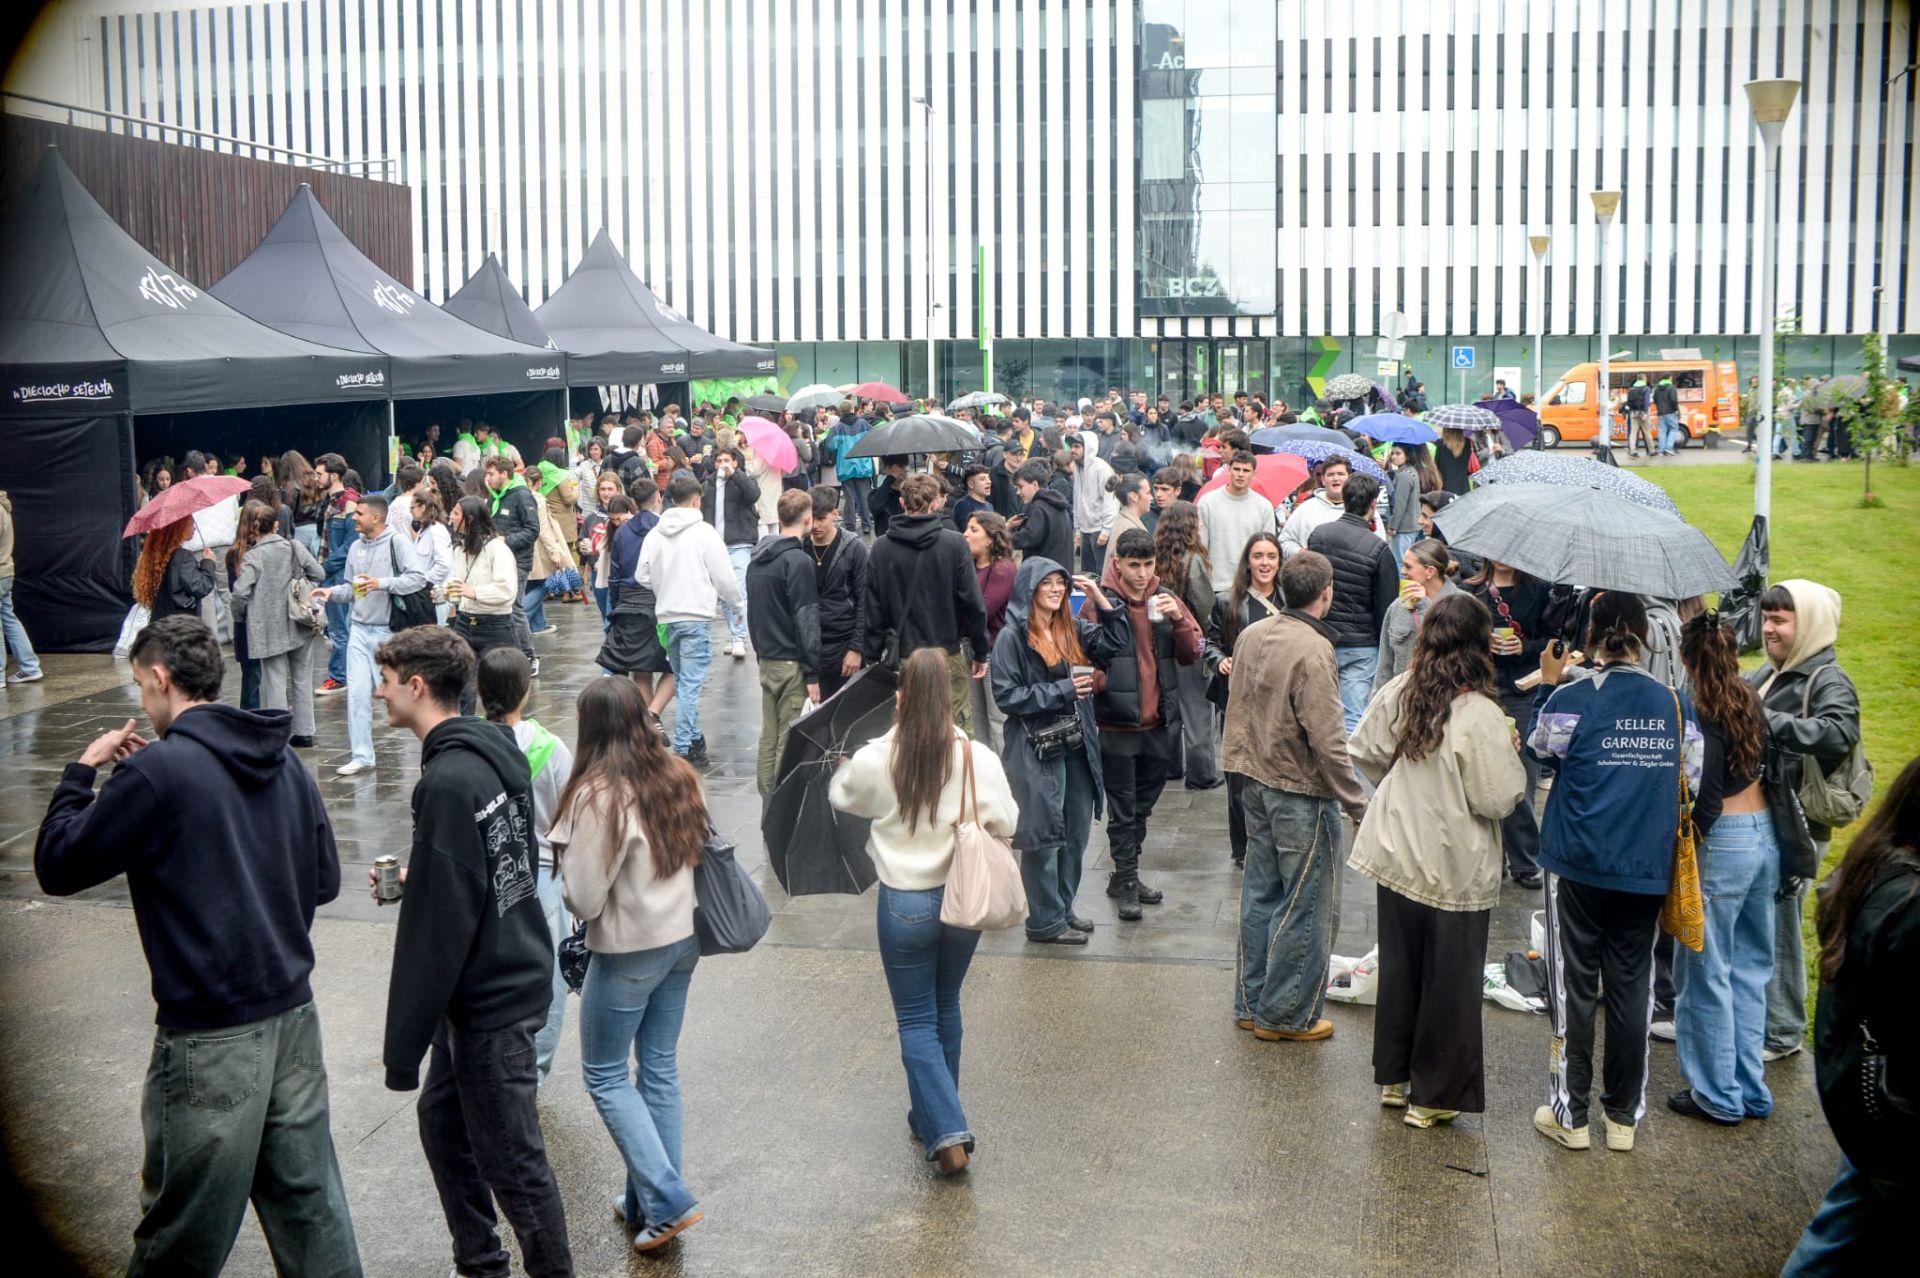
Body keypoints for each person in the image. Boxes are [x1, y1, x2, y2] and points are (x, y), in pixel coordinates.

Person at [34, 617, 361, 1275]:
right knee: (311, 1210)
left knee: (181, 1234)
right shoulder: (282, 760)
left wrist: (83, 771)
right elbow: (325, 881)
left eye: (140, 687)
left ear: (159, 678)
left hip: (211, 1036)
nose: (142, 704)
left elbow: (59, 864)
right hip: (293, 1016)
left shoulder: (158, 773)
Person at [367, 626, 571, 1276]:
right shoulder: (487, 753)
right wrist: (426, 873)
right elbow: (488, 867)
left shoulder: (451, 779)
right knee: (444, 1125)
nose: (380, 691)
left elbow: (435, 933)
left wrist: (401, 1048)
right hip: (497, 979)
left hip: (489, 1002)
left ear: (417, 685)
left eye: (388, 680)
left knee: (516, 1167)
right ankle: (481, 1260)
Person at [829, 647, 1019, 1175]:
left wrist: (846, 765)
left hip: (906, 902)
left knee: (915, 1019)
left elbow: (843, 797)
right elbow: (1009, 819)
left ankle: (947, 1128)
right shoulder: (977, 757)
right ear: (951, 697)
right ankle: (933, 1115)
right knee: (946, 1005)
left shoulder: (877, 757)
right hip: (964, 897)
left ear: (901, 697)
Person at [1527, 591, 1702, 1153]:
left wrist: (1552, 683)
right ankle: (1623, 1116)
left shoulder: (1575, 695)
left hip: (1577, 860)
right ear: (1645, 636)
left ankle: (1570, 1114)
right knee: (1633, 990)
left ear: (1593, 636)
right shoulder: (1675, 703)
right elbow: (1691, 779)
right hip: (1645, 865)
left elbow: (1541, 748)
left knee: (1572, 985)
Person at [1349, 594, 1527, 1128]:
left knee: (1402, 969)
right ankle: (1433, 1095)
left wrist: (1404, 787)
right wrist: (1511, 753)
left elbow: (1365, 750)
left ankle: (1396, 1077)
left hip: (1397, 851)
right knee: (1450, 980)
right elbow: (1496, 798)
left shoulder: (1402, 691)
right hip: (1454, 864)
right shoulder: (1481, 714)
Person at [548, 679, 708, 1252]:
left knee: (606, 1075)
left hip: (628, 951)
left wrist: (566, 874)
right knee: (659, 1068)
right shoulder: (675, 772)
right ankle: (647, 1200)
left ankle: (666, 1198)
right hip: (682, 940)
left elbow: (585, 899)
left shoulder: (599, 795)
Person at [1777, 755, 1920, 1273]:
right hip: (1889, 1103)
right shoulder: (1905, 900)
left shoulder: (1871, 868)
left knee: (1845, 1220)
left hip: (1863, 1090)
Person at [1220, 550, 1370, 1041]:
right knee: (1305, 903)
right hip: (1298, 790)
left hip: (1254, 781)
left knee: (1260, 894)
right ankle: (1283, 1014)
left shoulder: (1252, 633)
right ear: (1326, 593)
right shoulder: (1312, 648)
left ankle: (1252, 1001)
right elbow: (1328, 739)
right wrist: (1357, 804)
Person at [1665, 610, 1775, 1126]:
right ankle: (1751, 1089)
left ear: (1686, 658)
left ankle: (1717, 1094)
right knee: (1750, 972)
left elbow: (1705, 800)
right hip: (1764, 835)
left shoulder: (1699, 708)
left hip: (1724, 844)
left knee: (1705, 975)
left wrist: (1685, 850)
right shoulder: (1750, 696)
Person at [1746, 580, 1863, 1063]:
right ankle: (1767, 1020)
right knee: (1764, 919)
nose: (1768, 629)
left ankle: (1783, 1030)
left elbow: (1839, 733)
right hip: (1770, 812)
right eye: (1767, 618)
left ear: (1809, 624)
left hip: (1802, 822)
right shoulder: (1772, 672)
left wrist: (1764, 720)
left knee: (1781, 922)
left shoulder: (1827, 678)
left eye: (1780, 621)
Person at [992, 558, 1116, 945]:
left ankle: (1063, 908)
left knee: (1076, 831)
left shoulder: (1071, 628)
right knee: (1044, 835)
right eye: (1046, 583)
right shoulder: (1011, 637)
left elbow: (1115, 643)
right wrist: (1062, 691)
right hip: (1036, 747)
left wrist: (1100, 598)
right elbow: (1006, 695)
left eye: (1061, 583)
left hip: (1075, 742)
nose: (1055, 589)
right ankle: (1044, 921)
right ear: (1029, 588)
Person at [475, 648, 575, 1090]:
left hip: (485, 874)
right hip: (543, 875)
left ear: (480, 692)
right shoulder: (551, 749)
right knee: (548, 974)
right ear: (526, 691)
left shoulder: (468, 745)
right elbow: (568, 820)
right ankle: (532, 1070)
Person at [1094, 528, 1204, 920]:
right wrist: (1103, 684)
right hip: (1117, 724)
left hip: (1159, 722)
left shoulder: (1166, 599)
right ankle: (1126, 878)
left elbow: (1194, 652)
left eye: (1148, 565)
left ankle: (1125, 873)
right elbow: (1085, 653)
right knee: (1123, 808)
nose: (1142, 573)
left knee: (1143, 806)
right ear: (1117, 563)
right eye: (1134, 565)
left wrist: (1179, 621)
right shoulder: (1101, 600)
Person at [863, 473, 991, 732]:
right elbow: (973, 604)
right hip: (947, 652)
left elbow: (872, 610)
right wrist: (980, 650)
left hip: (905, 655)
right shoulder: (954, 543)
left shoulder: (881, 548)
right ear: (936, 503)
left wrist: (873, 656)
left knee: (909, 729)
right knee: (957, 728)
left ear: (902, 502)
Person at [311, 495, 428, 778]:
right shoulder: (355, 547)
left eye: (359, 514)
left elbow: (418, 578)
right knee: (357, 695)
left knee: (400, 699)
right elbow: (352, 589)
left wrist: (382, 584)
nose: (354, 518)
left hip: (387, 634)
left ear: (376, 517)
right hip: (359, 631)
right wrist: (330, 593)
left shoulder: (396, 542)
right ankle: (362, 755)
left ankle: (430, 748)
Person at [640, 473, 747, 766]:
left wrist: (665, 586)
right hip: (696, 616)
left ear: (671, 500)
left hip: (667, 617)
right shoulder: (704, 533)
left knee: (684, 680)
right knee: (689, 685)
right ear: (697, 499)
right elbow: (725, 577)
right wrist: (737, 606)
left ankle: (696, 741)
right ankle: (684, 750)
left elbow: (642, 575)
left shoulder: (655, 533)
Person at [1205, 532, 1285, 867]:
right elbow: (1208, 641)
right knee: (1237, 778)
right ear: (1247, 561)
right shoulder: (1228, 601)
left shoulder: (1289, 600)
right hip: (1238, 699)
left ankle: (1274, 841)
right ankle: (1242, 848)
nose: (1264, 563)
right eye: (1258, 556)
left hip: (1279, 701)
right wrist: (1218, 659)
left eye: (1271, 556)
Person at [1471, 558, 1552, 888]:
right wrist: (1482, 642)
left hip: (1523, 689)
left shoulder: (1539, 590)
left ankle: (1524, 860)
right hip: (1484, 687)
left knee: (1521, 776)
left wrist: (1525, 646)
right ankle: (1491, 857)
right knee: (1482, 774)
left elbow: (1553, 642)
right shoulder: (1473, 591)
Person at [1307, 472, 1399, 733]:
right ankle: (1352, 774)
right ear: (1373, 504)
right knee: (1353, 718)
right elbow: (1386, 607)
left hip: (1321, 636)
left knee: (1319, 714)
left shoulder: (1318, 536)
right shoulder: (1378, 549)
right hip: (1362, 645)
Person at [746, 489, 823, 795]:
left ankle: (767, 795)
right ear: (808, 518)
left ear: (779, 518)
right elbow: (807, 619)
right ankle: (781, 800)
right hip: (791, 661)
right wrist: (813, 671)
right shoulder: (798, 561)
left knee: (769, 734)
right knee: (787, 736)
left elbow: (753, 613)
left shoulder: (757, 560)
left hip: (767, 656)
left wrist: (759, 650)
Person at [231, 500, 325, 748]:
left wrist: (240, 616)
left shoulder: (253, 556)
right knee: (302, 678)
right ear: (275, 525)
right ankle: (304, 732)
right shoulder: (294, 547)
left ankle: (278, 732)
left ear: (254, 529)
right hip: (299, 621)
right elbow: (319, 573)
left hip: (266, 625)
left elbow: (240, 593)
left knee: (274, 679)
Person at [808, 486, 870, 701]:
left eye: (821, 519)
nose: (814, 526)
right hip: (810, 645)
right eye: (810, 519)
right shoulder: (800, 547)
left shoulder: (855, 548)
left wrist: (856, 648)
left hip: (844, 642)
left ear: (836, 514)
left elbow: (865, 601)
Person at [965, 510, 1019, 748]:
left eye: (973, 530)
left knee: (998, 720)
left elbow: (981, 611)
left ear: (990, 538)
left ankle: (1004, 777)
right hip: (971, 648)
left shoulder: (1002, 568)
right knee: (976, 720)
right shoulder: (968, 566)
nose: (965, 534)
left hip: (994, 651)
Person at [701, 446, 760, 661]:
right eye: (719, 460)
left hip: (739, 543)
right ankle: (735, 633)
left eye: (727, 460)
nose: (722, 464)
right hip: (715, 545)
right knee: (724, 594)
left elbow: (754, 494)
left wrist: (735, 475)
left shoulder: (742, 481)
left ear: (735, 462)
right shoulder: (708, 484)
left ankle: (738, 638)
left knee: (738, 590)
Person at [1196, 453, 1276, 592]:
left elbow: (1267, 551)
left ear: (1254, 474)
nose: (1240, 474)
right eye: (1236, 469)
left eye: (1246, 471)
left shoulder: (1264, 506)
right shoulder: (1208, 502)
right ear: (1228, 470)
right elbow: (1201, 548)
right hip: (1216, 585)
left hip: (1250, 586)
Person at [132, 514, 217, 624]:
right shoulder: (183, 556)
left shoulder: (157, 555)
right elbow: (200, 587)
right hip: (180, 623)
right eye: (191, 523)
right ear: (180, 528)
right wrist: (208, 562)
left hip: (160, 619)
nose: (194, 527)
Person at [0, 488, 41, 684]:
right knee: (8, 617)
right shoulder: (3, 507)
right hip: (5, 571)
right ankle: (29, 666)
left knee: (4, 620)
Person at [1279, 457, 1355, 560]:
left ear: (1349, 478)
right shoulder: (1306, 508)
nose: (1336, 478)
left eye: (1340, 474)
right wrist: (1300, 553)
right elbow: (1284, 542)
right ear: (1323, 480)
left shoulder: (1360, 509)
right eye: (1330, 474)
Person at [1008, 459, 1075, 570]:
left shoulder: (1039, 506)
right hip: (1060, 569)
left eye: (1021, 487)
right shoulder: (1055, 503)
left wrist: (1003, 539)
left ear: (1035, 485)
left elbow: (1030, 536)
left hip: (1045, 573)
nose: (1018, 492)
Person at [1070, 432, 1117, 574]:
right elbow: (1077, 497)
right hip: (1085, 529)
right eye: (1072, 446)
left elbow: (1112, 500)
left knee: (1102, 572)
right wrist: (1078, 528)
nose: (1073, 450)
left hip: (1099, 529)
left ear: (1088, 447)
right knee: (1087, 573)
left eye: (1077, 446)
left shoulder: (1102, 468)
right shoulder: (1079, 467)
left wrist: (1107, 529)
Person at [1384, 445, 1423, 563]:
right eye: (1392, 453)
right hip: (1413, 524)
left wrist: (1393, 526)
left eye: (1398, 453)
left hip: (1404, 527)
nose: (1394, 456)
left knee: (1400, 562)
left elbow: (1399, 504)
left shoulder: (1403, 476)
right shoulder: (1411, 471)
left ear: (1407, 455)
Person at [1108, 471, 1152, 543]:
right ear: (1134, 497)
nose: (1151, 498)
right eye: (1147, 493)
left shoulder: (1125, 521)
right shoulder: (1128, 530)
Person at [1653, 375, 1683, 456]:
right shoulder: (1671, 387)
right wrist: (1676, 409)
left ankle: (1661, 450)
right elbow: (1674, 400)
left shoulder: (1657, 388)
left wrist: (1659, 407)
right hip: (1670, 412)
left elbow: (1654, 399)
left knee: (1662, 431)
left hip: (1661, 412)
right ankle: (1669, 448)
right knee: (1674, 428)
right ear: (1669, 378)